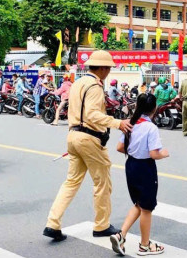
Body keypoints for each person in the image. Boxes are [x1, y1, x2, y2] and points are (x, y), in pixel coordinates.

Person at [43, 50, 133, 242]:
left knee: (71, 182)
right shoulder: (94, 86)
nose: (109, 71)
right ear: (101, 68)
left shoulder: (78, 83)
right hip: (89, 138)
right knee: (103, 183)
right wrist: (118, 123)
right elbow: (92, 114)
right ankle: (101, 225)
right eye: (108, 68)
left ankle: (53, 223)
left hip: (73, 135)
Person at [111, 93, 168, 256]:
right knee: (147, 208)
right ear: (154, 108)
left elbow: (119, 147)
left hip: (131, 165)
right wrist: (164, 153)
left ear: (137, 106)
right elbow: (154, 154)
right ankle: (144, 245)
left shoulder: (131, 123)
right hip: (145, 168)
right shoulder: (151, 128)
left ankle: (120, 235)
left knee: (139, 203)